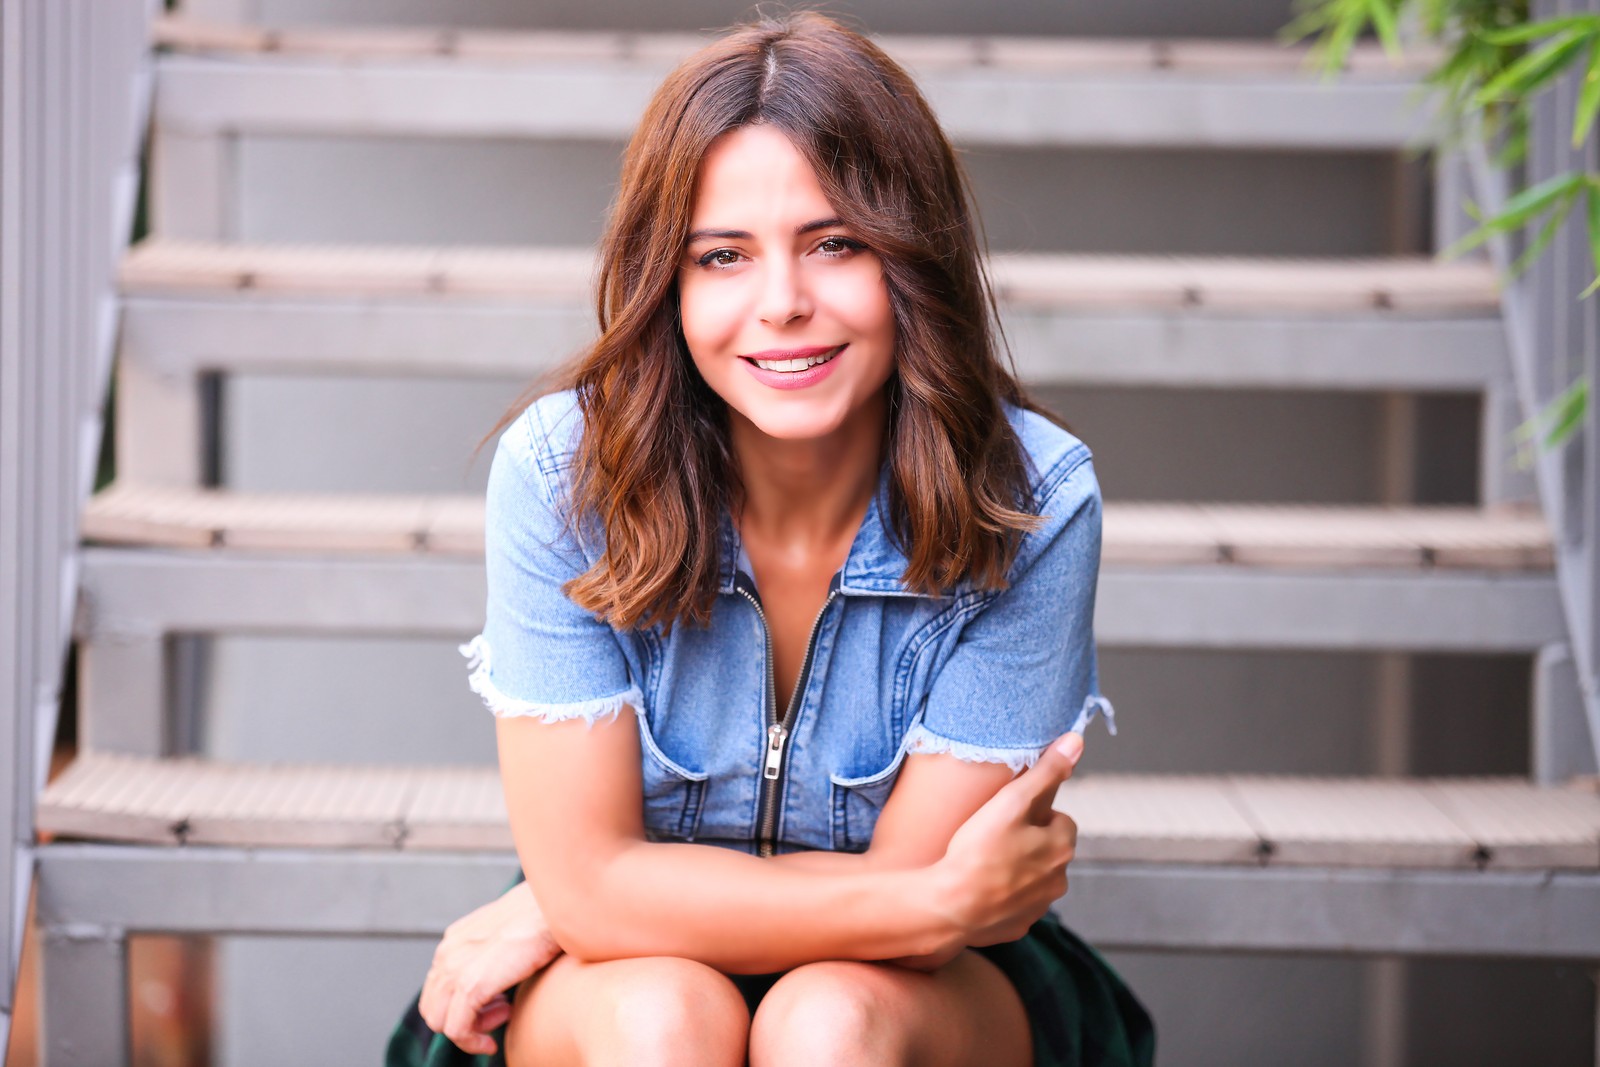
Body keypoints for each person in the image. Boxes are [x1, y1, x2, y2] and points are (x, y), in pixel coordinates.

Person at [387, 11, 1154, 1066]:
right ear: (668, 279)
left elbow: (925, 916)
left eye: (836, 243)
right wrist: (582, 903)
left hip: (918, 987)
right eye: (722, 256)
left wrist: (589, 896)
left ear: (913, 258)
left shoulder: (1029, 502)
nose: (783, 303)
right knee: (664, 1019)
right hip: (620, 982)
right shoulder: (565, 475)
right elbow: (921, 894)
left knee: (828, 1020)